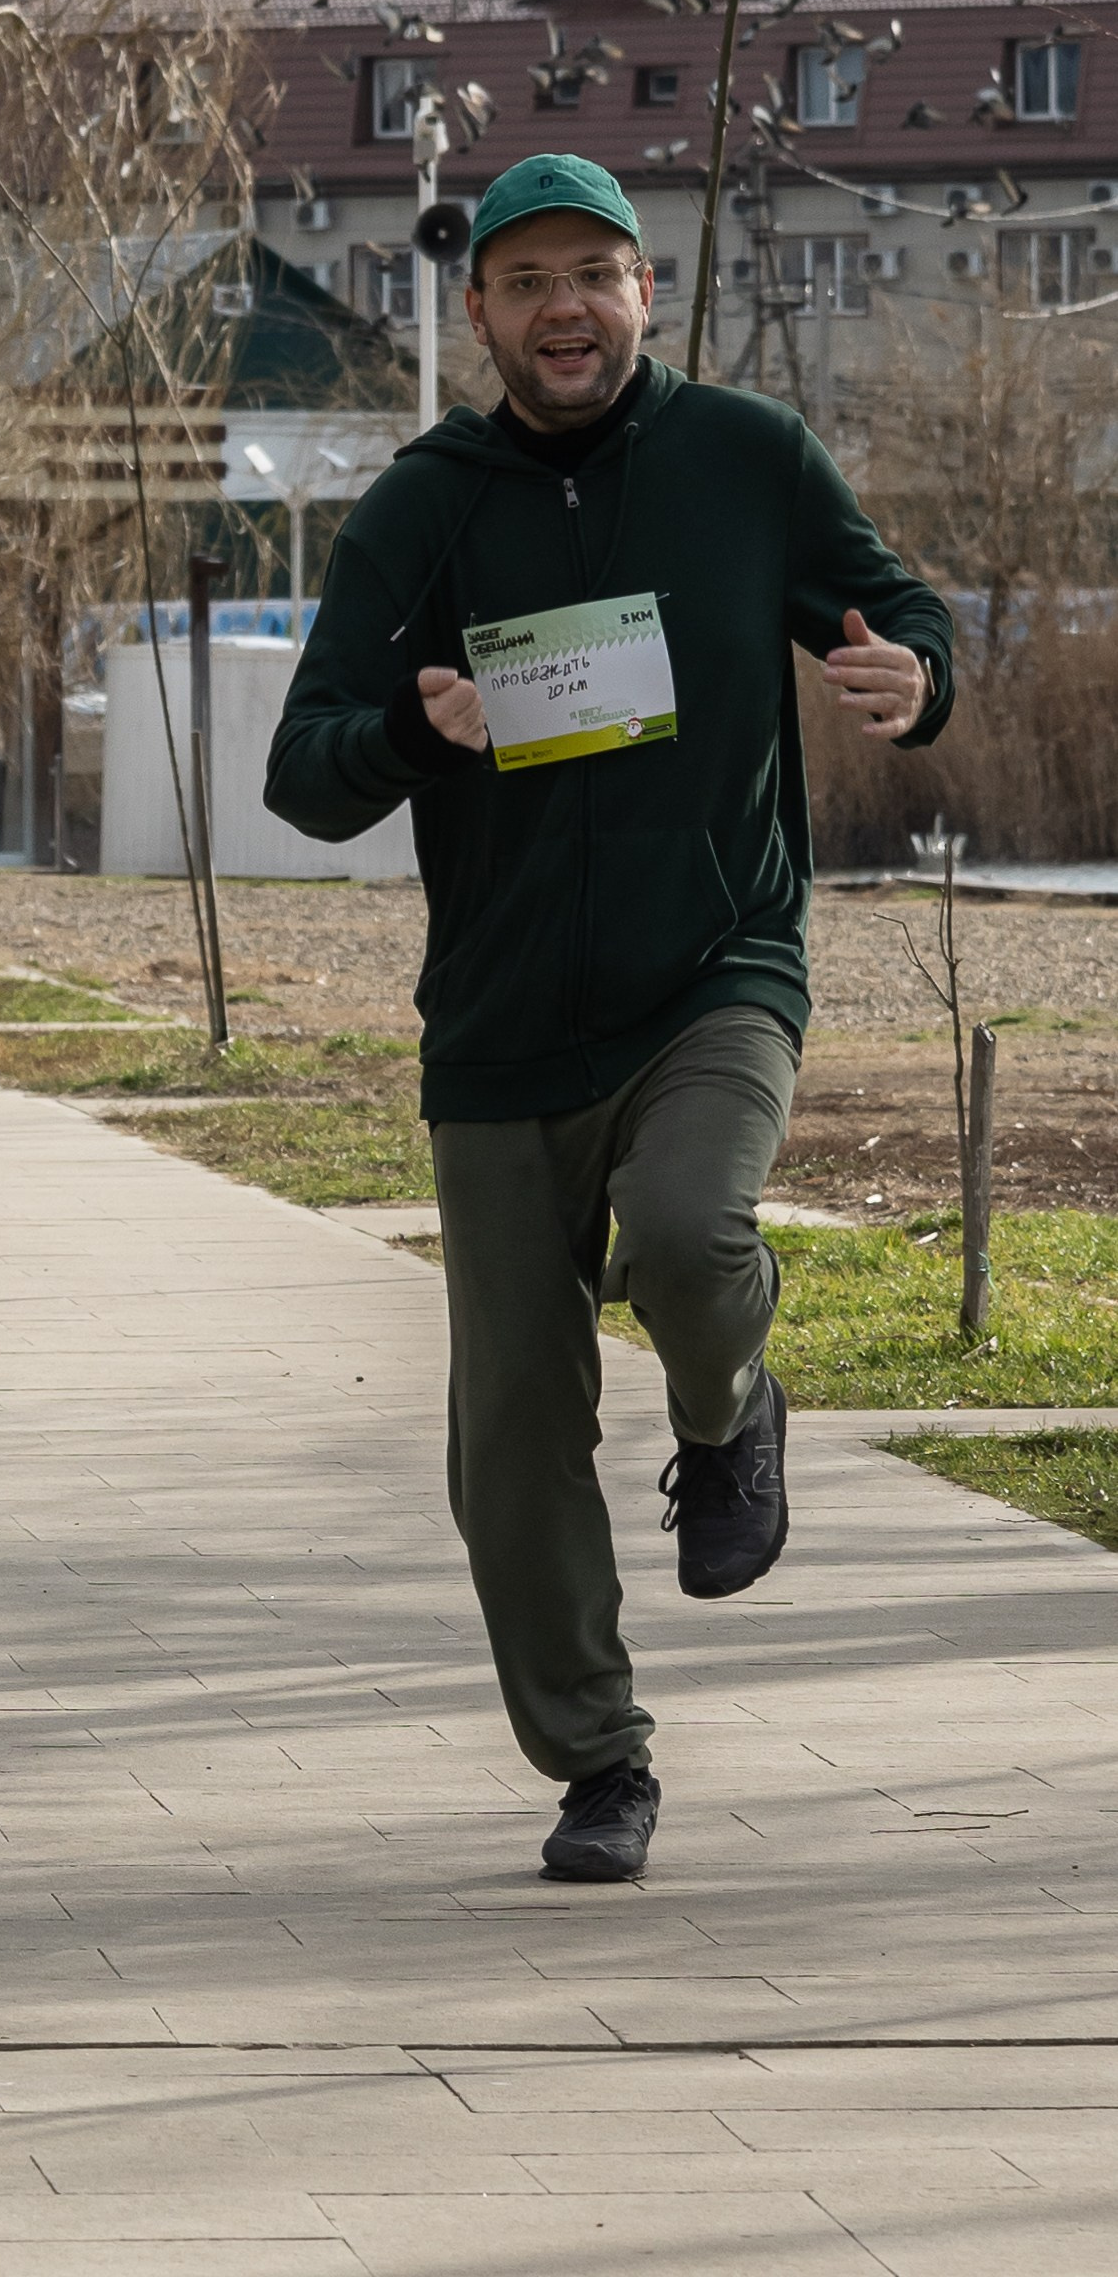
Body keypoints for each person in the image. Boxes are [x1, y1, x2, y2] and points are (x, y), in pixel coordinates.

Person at [265, 153, 954, 1885]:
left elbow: (900, 606)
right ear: (482, 310)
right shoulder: (424, 504)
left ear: (645, 290)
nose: (565, 308)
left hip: (714, 963)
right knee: (513, 1427)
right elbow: (306, 773)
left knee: (689, 1225)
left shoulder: (746, 459)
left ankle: (729, 1416)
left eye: (597, 274)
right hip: (498, 1025)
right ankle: (598, 1759)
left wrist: (917, 674)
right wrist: (419, 734)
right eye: (526, 282)